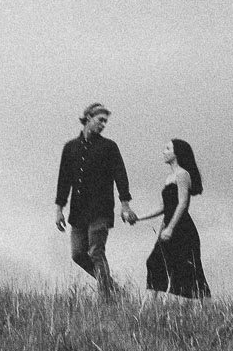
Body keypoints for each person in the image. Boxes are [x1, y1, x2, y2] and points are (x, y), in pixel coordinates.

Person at [54, 102, 134, 296]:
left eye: (105, 121)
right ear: (88, 118)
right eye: (100, 120)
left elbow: (120, 176)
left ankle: (106, 298)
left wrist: (125, 206)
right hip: (78, 212)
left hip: (101, 210)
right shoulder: (70, 148)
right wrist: (59, 210)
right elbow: (64, 180)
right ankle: (113, 287)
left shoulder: (109, 147)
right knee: (78, 254)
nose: (103, 124)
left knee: (96, 252)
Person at [145, 137, 211, 299]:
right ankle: (147, 308)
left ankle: (206, 304)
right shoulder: (169, 178)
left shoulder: (182, 174)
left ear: (177, 153)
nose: (164, 152)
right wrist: (138, 218)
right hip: (169, 226)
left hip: (182, 229)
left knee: (190, 268)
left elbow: (182, 204)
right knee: (154, 263)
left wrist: (170, 228)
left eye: (168, 149)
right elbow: (162, 207)